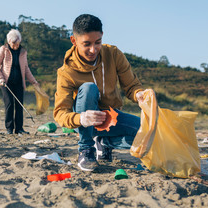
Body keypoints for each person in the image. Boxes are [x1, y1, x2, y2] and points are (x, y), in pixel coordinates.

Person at [53, 14, 145, 171]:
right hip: (84, 121)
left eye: (98, 42)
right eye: (86, 44)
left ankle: (104, 142)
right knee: (89, 88)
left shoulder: (114, 54)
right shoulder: (66, 72)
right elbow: (60, 113)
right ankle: (86, 149)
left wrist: (140, 95)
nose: (93, 49)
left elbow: (131, 85)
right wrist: (81, 118)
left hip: (111, 118)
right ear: (74, 41)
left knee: (149, 135)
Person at [0, 29, 39, 134]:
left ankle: (19, 129)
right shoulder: (3, 49)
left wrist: (33, 81)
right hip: (6, 82)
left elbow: (26, 68)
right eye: (13, 44)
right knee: (9, 104)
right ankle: (9, 128)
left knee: (19, 105)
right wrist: (0, 78)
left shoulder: (23, 52)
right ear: (9, 41)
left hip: (19, 83)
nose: (15, 46)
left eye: (17, 44)